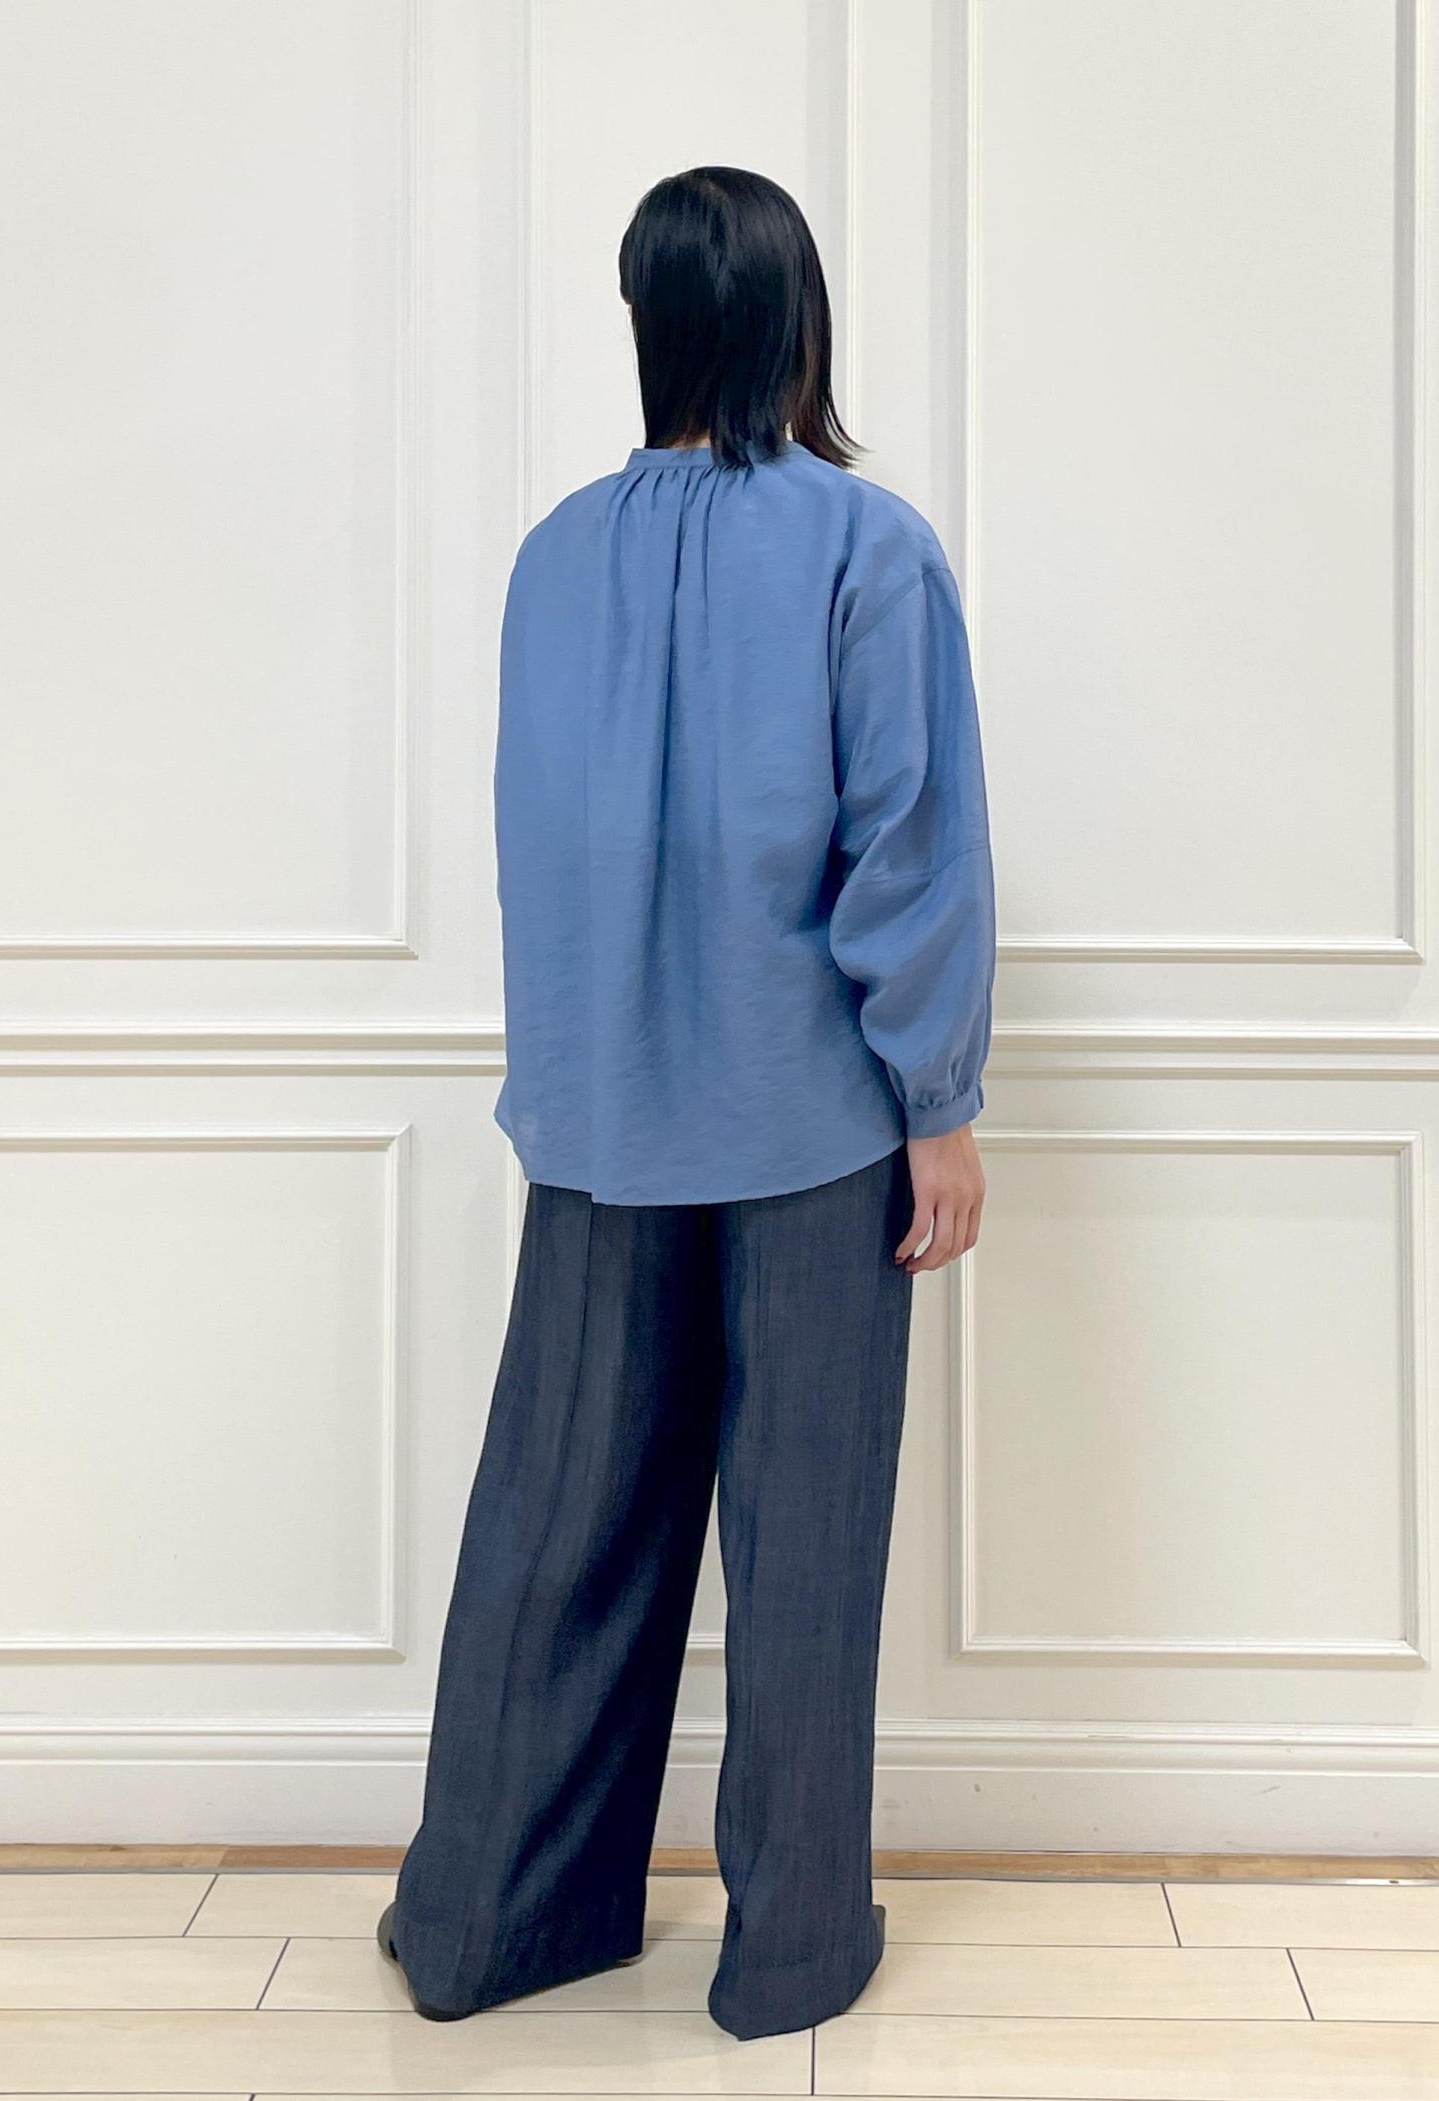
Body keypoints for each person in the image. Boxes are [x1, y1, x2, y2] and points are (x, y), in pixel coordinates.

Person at [378, 164, 995, 2043]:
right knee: (803, 1540)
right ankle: (788, 1950)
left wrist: (571, 1071)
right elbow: (907, 840)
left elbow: (541, 842)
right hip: (813, 1127)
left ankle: (488, 1921)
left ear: (647, 323)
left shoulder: (552, 555)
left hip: (598, 1125)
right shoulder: (867, 545)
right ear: (798, 323)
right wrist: (940, 1099)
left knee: (554, 1525)